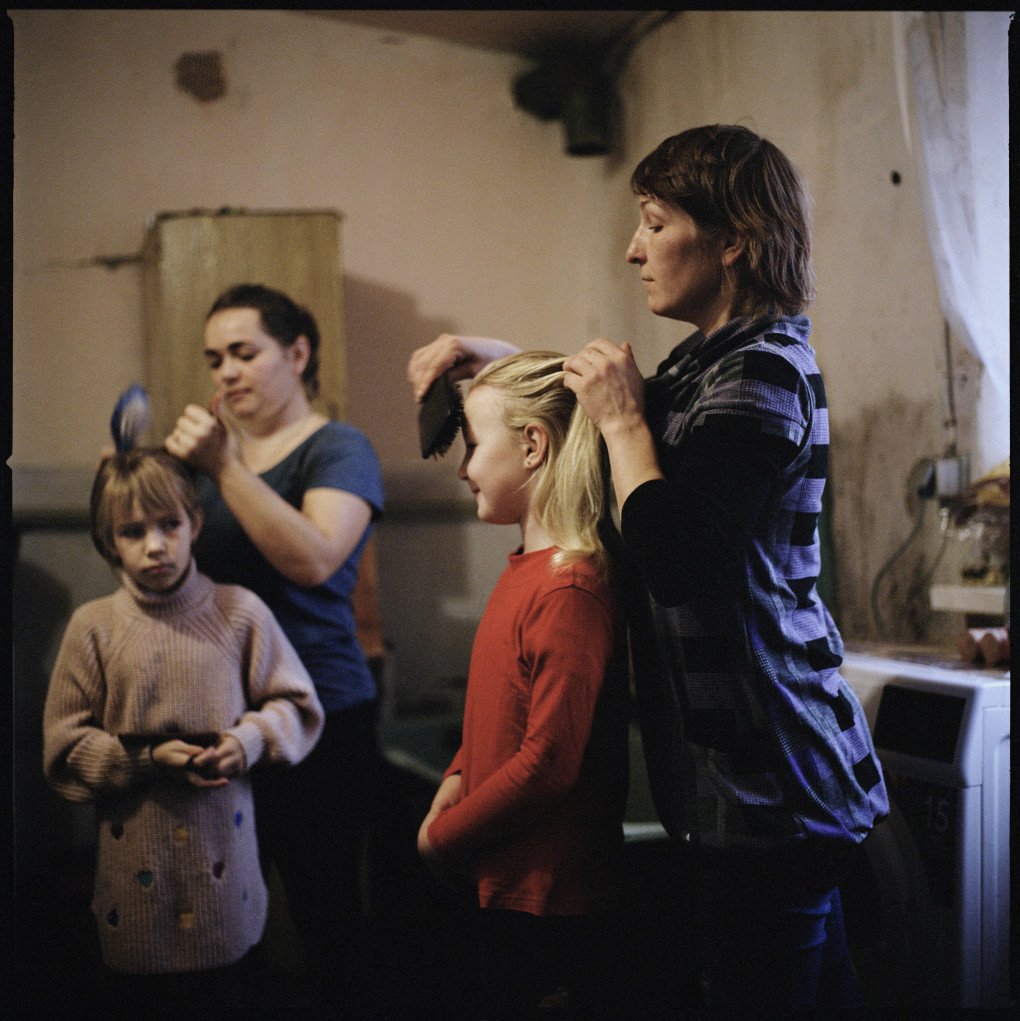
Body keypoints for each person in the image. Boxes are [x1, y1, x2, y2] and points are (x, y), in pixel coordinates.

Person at [408, 124, 889, 1012]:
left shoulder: (764, 374)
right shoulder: (707, 366)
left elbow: (676, 556)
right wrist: (494, 362)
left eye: (655, 223)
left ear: (731, 239)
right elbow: (597, 423)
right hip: (738, 787)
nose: (635, 249)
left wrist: (628, 426)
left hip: (775, 782)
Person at [163, 283, 385, 1014]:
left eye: (243, 352)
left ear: (297, 352)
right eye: (214, 358)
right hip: (221, 718)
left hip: (321, 713)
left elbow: (316, 558)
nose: (225, 372)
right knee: (227, 919)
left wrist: (225, 466)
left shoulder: (338, 447)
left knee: (325, 914)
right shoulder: (206, 459)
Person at [42, 448, 324, 1019]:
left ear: (195, 524)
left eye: (169, 524)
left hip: (226, 877)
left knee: (228, 998)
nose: (155, 545)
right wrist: (142, 760)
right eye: (132, 531)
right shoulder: (93, 628)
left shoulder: (239, 613)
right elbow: (63, 746)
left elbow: (298, 706)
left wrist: (246, 742)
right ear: (107, 541)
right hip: (132, 888)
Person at [416, 352, 630, 1019]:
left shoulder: (570, 585)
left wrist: (442, 839)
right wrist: (456, 774)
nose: (463, 467)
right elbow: (495, 711)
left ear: (533, 444)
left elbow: (547, 763)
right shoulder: (525, 571)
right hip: (504, 884)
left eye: (475, 446)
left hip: (549, 901)